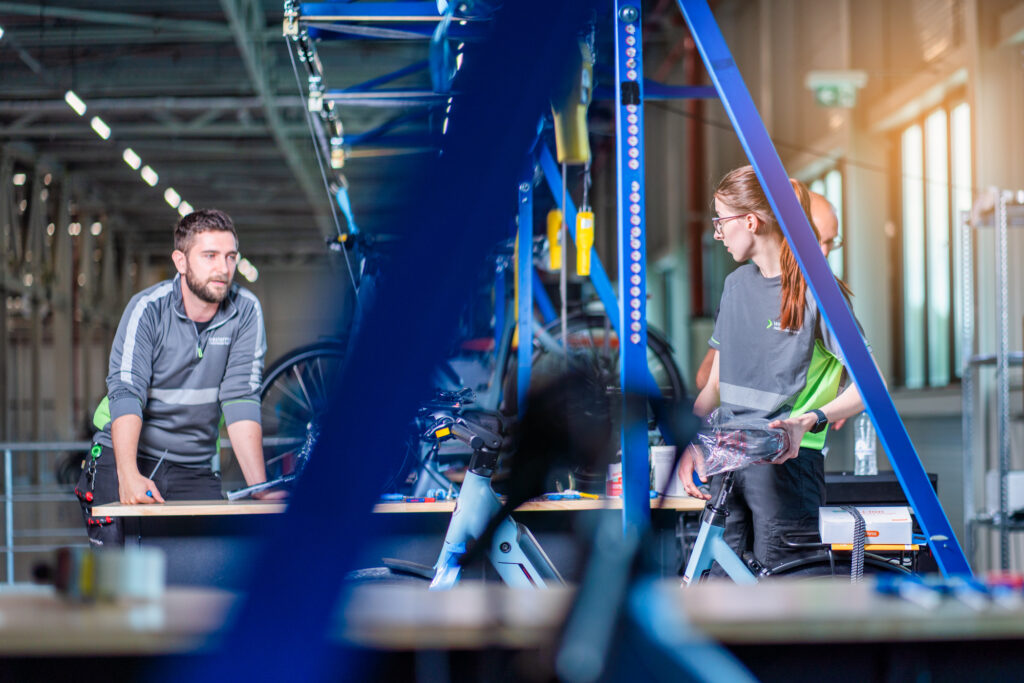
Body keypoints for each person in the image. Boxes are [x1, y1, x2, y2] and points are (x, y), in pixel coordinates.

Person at [680, 166, 867, 573]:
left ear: (751, 221)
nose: (717, 233)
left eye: (721, 221)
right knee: (719, 590)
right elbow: (713, 384)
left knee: (780, 595)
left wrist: (812, 420)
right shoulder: (735, 286)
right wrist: (690, 444)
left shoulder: (818, 292)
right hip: (725, 461)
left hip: (786, 467)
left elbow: (871, 388)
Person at [76, 209, 284, 547]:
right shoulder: (147, 309)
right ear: (181, 261)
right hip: (125, 457)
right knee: (119, 584)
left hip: (194, 466)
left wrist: (258, 487)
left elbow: (240, 398)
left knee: (208, 573)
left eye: (231, 257)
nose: (223, 268)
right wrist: (128, 476)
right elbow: (127, 391)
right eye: (210, 256)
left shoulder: (246, 311)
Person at [694, 184, 842, 400]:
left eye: (831, 242)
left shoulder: (826, 296)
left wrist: (832, 401)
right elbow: (706, 379)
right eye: (816, 240)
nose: (824, 252)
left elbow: (861, 376)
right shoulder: (740, 288)